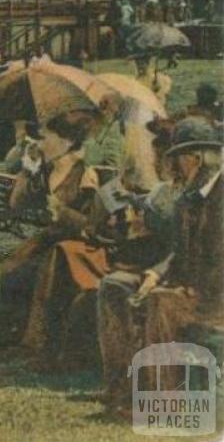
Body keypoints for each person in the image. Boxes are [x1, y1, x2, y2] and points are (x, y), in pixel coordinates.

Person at [97, 118, 222, 415]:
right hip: (187, 285)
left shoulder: (217, 198)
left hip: (211, 296)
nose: (173, 166)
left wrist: (182, 285)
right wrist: (154, 274)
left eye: (177, 158)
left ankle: (165, 401)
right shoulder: (188, 198)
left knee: (160, 303)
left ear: (196, 158)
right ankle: (121, 389)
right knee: (114, 286)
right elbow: (179, 252)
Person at [0, 113, 101, 355]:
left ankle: (25, 341)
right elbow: (15, 204)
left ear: (65, 142)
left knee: (22, 275)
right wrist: (27, 171)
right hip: (45, 243)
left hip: (69, 251)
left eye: (45, 138)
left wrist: (62, 213)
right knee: (5, 273)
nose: (40, 144)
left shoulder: (86, 175)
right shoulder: (45, 170)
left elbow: (92, 225)